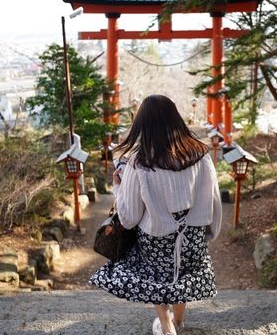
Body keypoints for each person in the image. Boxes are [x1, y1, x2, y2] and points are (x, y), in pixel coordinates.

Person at [89, 95, 222, 335]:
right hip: (194, 235)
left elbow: (128, 218)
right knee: (185, 273)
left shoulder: (140, 163)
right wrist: (210, 232)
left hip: (156, 238)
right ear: (176, 119)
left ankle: (166, 325)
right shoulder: (201, 155)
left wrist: (118, 187)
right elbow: (214, 199)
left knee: (154, 275)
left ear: (144, 125)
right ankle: (179, 320)